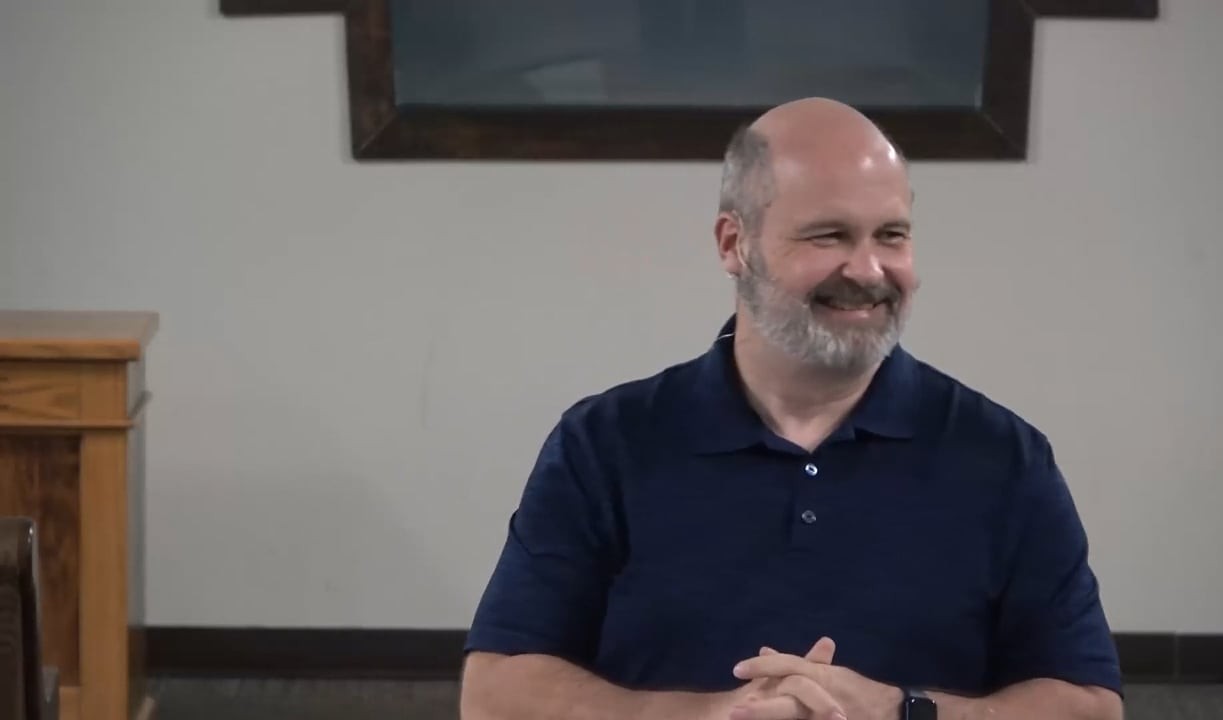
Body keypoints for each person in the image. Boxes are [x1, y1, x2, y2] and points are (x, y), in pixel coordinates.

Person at [458, 97, 1124, 720]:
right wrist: (709, 717)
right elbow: (493, 694)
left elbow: (1090, 705)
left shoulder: (1004, 456)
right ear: (734, 243)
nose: (868, 270)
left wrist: (900, 711)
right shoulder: (604, 443)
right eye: (828, 236)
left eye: (891, 235)